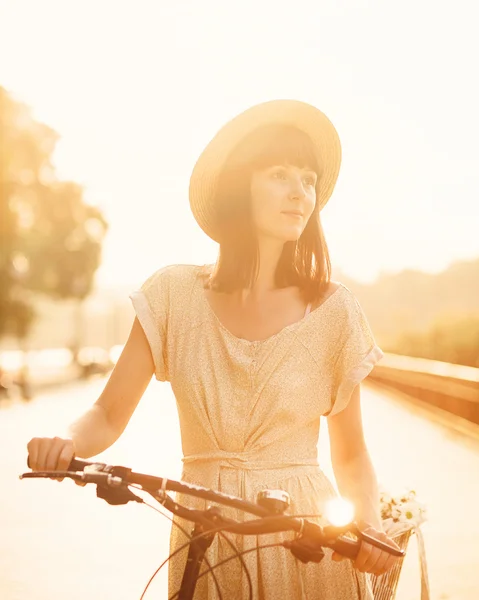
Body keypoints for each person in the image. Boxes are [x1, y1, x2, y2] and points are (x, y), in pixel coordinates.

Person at [27, 99, 401, 599]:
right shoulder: (172, 296)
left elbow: (350, 453)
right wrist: (66, 442)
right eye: (280, 174)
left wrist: (369, 523)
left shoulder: (333, 310)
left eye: (308, 179)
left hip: (307, 538)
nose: (300, 193)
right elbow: (108, 412)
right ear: (239, 186)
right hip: (203, 528)